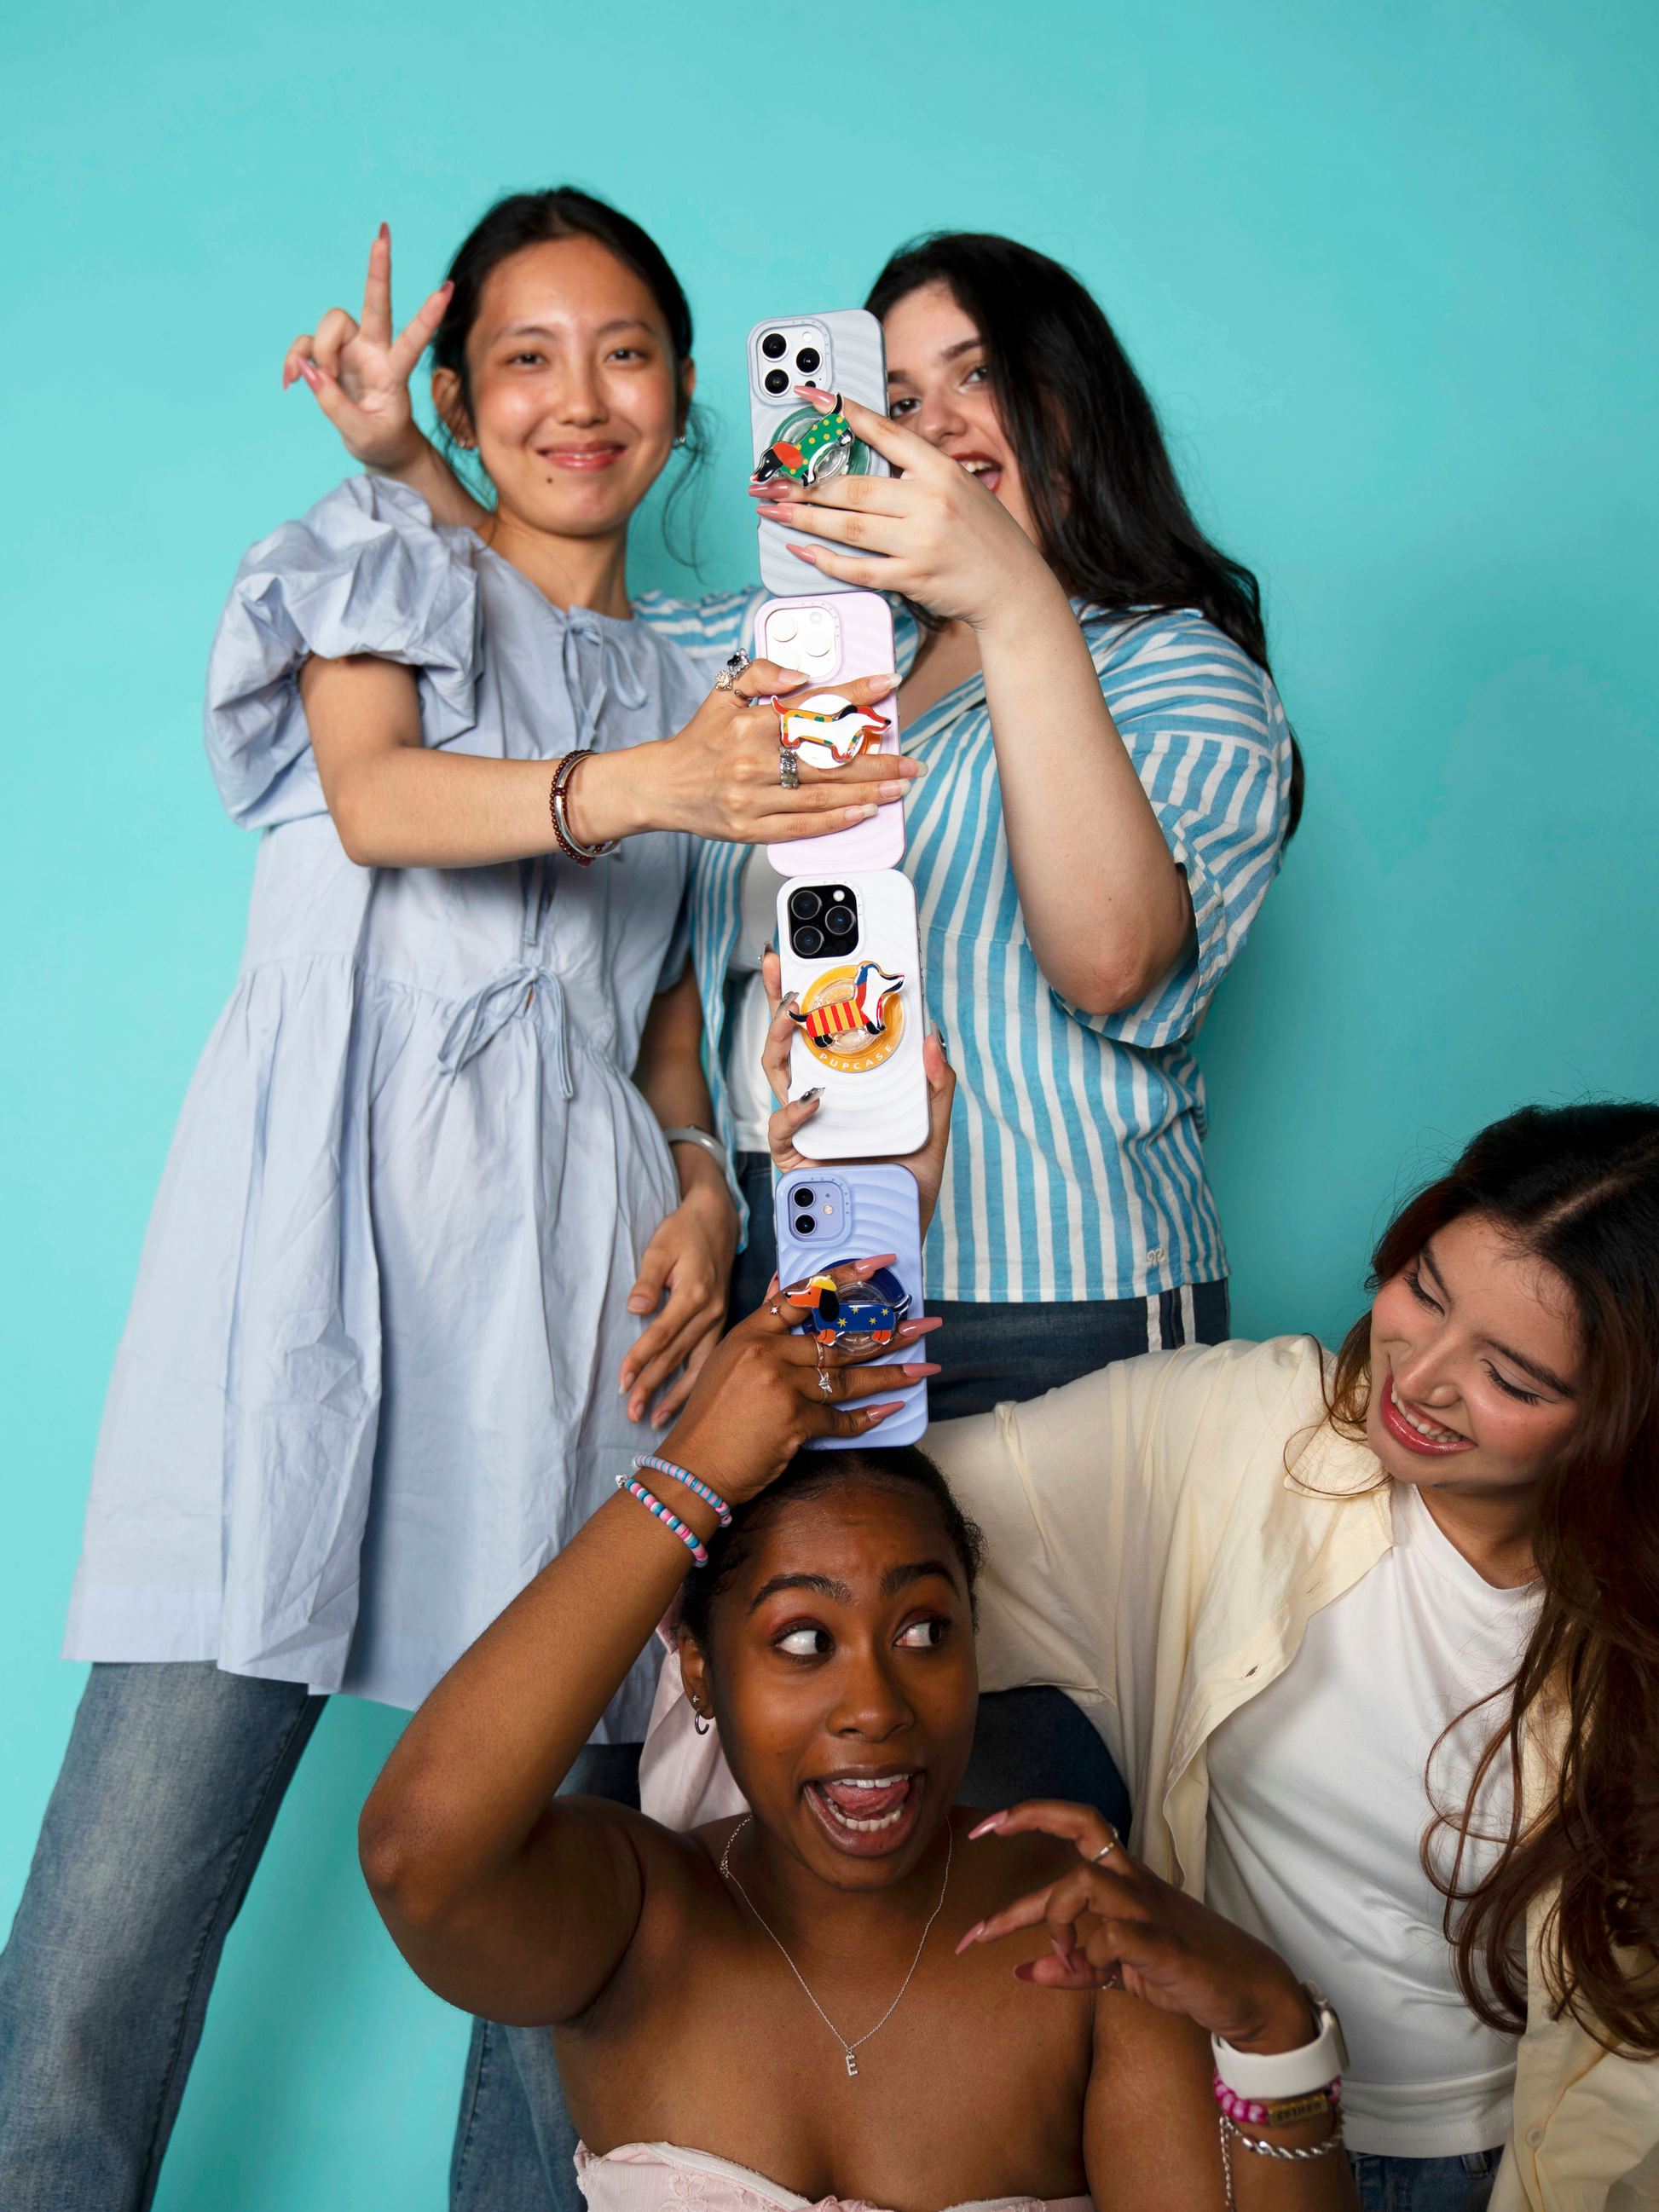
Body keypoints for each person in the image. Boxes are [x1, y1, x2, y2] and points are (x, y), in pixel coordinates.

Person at [0, 188, 917, 2212]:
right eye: (525, 356)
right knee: (116, 1917)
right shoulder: (378, 549)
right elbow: (378, 797)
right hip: (310, 1255)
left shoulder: (702, 677)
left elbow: (666, 1027)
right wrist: (647, 781)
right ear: (461, 396)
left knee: (548, 1886)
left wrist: (702, 1185)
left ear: (685, 393)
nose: (578, 398)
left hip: (567, 1294)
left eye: (624, 352)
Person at [330, 222, 1300, 1817]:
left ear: (1072, 406)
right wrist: (409, 462)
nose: (935, 424)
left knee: (1021, 1825)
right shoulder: (792, 648)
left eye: (978, 377)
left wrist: (1014, 599)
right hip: (814, 1308)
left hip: (1060, 1333)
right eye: (895, 396)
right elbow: (548, 620)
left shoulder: (1173, 672)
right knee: (826, 1825)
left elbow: (1111, 958)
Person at [654, 1100, 1659, 2208]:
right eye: (1423, 1292)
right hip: (1213, 2125)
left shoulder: (1631, 1630)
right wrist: (856, 1259)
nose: (1418, 1377)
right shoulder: (1243, 1430)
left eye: (1509, 1378)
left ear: (1622, 1416)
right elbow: (838, 1531)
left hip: (1507, 2169)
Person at [355, 1279, 1358, 2212]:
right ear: (699, 1670)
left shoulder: (1084, 1943)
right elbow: (415, 1854)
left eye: (923, 1631)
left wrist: (1273, 2034)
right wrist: (690, 1469)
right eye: (802, 1641)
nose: (874, 1708)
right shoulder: (633, 1922)